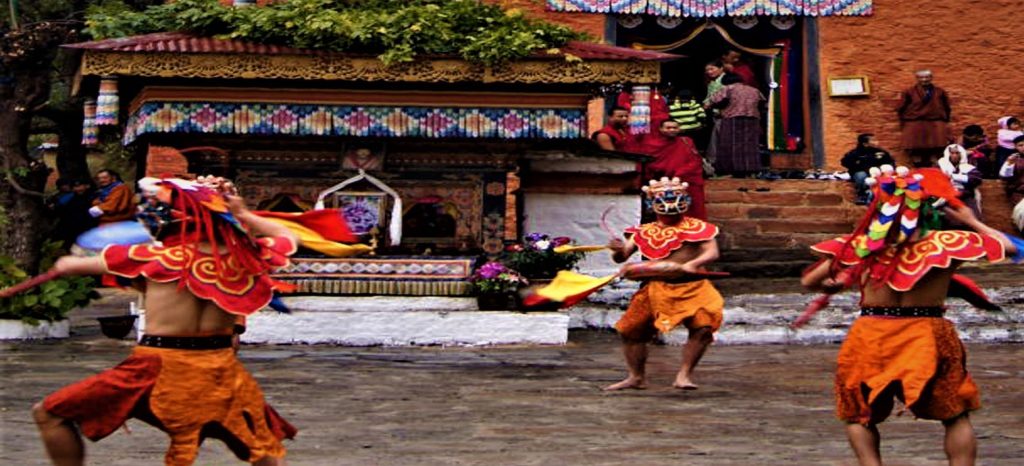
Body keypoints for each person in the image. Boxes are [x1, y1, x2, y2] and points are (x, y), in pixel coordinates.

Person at [33, 176, 300, 466]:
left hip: (157, 367)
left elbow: (73, 265)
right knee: (261, 448)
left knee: (49, 413)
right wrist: (242, 213)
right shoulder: (248, 257)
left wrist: (67, 263)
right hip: (220, 368)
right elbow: (288, 236)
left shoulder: (154, 256)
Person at [801, 164, 1020, 466]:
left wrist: (838, 284)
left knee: (858, 414)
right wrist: (971, 220)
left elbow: (810, 281)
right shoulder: (946, 243)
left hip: (872, 333)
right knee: (955, 414)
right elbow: (1008, 248)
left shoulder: (862, 247)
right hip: (926, 331)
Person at [604, 177, 724, 391]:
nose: (670, 204)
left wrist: (694, 263)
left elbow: (712, 252)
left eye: (675, 198)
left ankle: (684, 375)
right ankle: (636, 377)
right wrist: (617, 250)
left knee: (703, 328)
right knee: (631, 331)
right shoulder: (642, 231)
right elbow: (622, 258)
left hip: (694, 287)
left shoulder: (699, 228)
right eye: (663, 199)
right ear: (653, 203)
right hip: (655, 287)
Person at [637, 120, 708, 220]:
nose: (672, 130)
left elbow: (695, 161)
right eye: (668, 128)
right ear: (660, 129)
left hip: (684, 180)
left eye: (675, 128)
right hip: (662, 183)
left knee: (692, 208)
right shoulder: (652, 144)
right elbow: (649, 164)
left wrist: (679, 174)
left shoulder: (686, 141)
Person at [706, 73, 765, 178]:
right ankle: (750, 168)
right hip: (752, 119)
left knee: (729, 143)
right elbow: (762, 103)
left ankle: (730, 169)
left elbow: (715, 101)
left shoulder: (728, 88)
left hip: (731, 118)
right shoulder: (754, 90)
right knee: (749, 144)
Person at [896, 70, 952, 168]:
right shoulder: (909, 92)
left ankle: (933, 166)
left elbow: (946, 106)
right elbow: (901, 107)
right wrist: (906, 119)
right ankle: (917, 165)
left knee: (935, 148)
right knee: (915, 148)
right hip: (915, 121)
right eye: (921, 77)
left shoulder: (940, 91)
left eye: (927, 77)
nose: (924, 80)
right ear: (917, 79)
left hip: (935, 122)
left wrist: (944, 119)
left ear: (931, 78)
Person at [841, 133, 895, 204]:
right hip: (863, 174)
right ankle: (863, 195)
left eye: (876, 140)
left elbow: (890, 162)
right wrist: (861, 168)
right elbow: (845, 162)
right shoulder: (855, 153)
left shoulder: (881, 152)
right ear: (865, 144)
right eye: (873, 140)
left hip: (878, 174)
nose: (877, 142)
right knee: (861, 175)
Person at [938, 144, 983, 221]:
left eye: (957, 153)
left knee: (974, 218)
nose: (954, 155)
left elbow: (976, 179)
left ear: (961, 154)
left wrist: (953, 176)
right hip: (946, 196)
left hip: (965, 195)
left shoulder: (968, 168)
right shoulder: (941, 166)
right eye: (952, 153)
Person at [52, 179, 98, 249]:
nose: (78, 189)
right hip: (72, 232)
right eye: (75, 187)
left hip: (90, 230)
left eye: (80, 186)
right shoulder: (70, 199)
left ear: (87, 186)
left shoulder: (94, 197)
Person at [998, 135, 1024, 232]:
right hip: (1020, 193)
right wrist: (1009, 164)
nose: (1023, 147)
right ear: (1016, 147)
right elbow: (1004, 176)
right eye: (1020, 145)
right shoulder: (1013, 159)